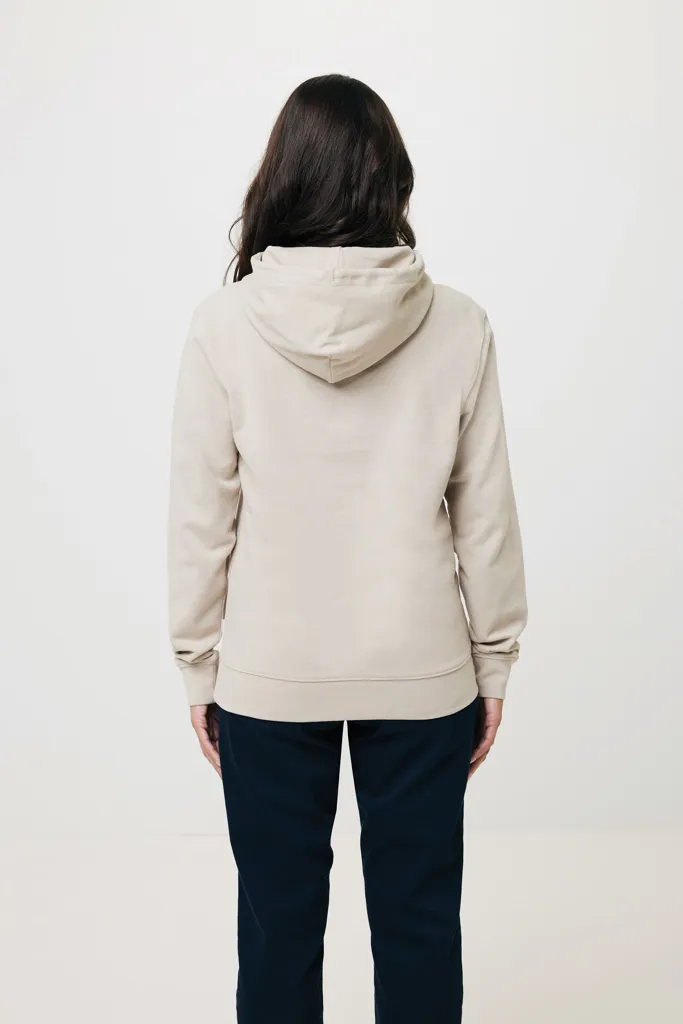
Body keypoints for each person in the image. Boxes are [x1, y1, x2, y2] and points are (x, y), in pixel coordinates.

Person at [168, 73, 527, 1024]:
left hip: (269, 673)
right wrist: (492, 659)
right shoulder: (458, 323)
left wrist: (198, 665)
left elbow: (202, 516)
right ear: (390, 178)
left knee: (276, 931)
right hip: (421, 669)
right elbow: (484, 515)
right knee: (419, 926)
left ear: (281, 177)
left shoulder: (224, 325)